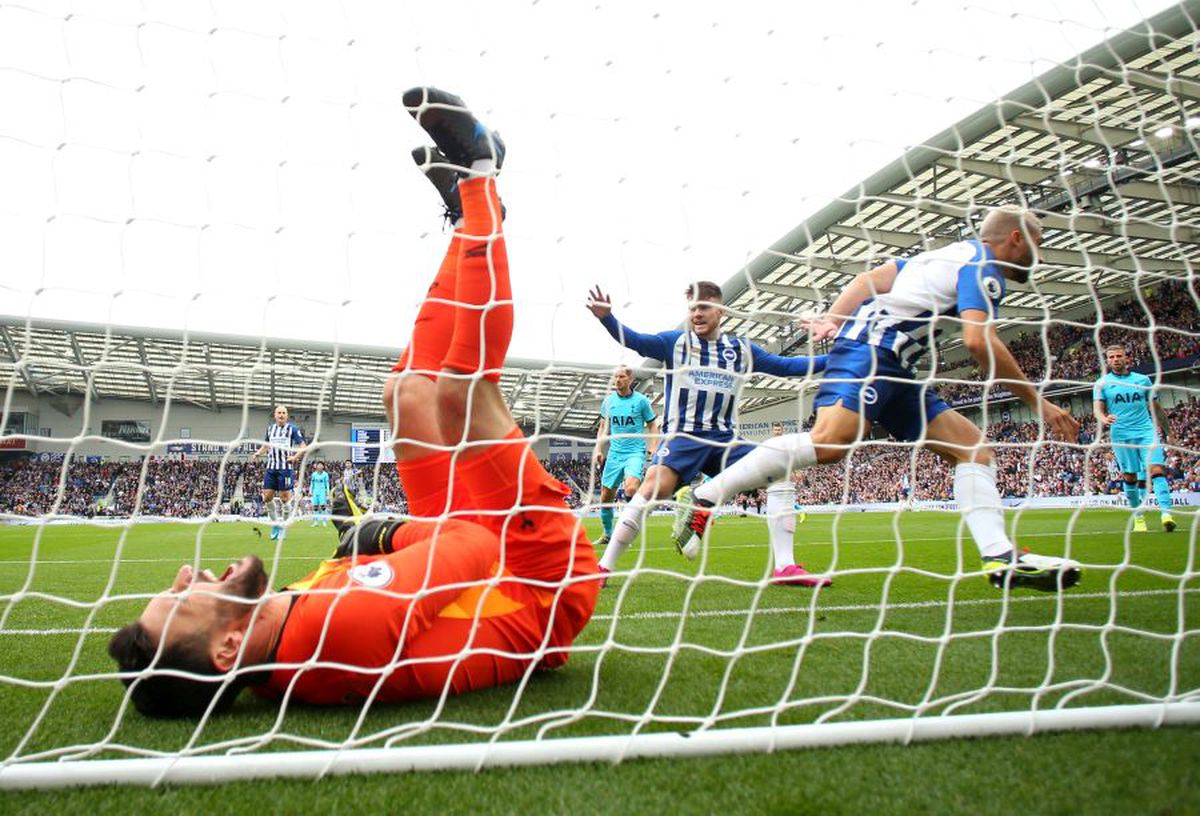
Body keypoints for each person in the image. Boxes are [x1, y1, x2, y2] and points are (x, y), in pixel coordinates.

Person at [107, 87, 599, 717]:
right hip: (538, 580)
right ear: (227, 649)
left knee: (405, 392)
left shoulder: (271, 636)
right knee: (460, 393)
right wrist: (378, 532)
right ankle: (482, 175)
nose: (182, 577)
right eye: (180, 602)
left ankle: (466, 220)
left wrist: (369, 541)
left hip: (477, 561)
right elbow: (474, 547)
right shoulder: (337, 634)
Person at [674, 206, 1083, 592]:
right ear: (1016, 238)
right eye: (1038, 244)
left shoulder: (944, 256)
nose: (1041, 256)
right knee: (830, 443)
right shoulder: (982, 267)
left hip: (895, 366)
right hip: (872, 349)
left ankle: (999, 556)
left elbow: (868, 280)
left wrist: (833, 318)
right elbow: (979, 341)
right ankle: (705, 497)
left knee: (972, 449)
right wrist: (1039, 403)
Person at [586, 280, 827, 584]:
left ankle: (785, 567)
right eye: (692, 308)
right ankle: (603, 568)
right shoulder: (674, 343)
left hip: (726, 440)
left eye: (703, 307)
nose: (696, 314)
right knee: (652, 489)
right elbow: (635, 340)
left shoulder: (740, 350)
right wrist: (607, 318)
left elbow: (787, 367)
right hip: (683, 437)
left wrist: (841, 356)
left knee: (780, 472)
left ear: (720, 310)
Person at [1093, 345, 1175, 532]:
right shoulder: (1102, 383)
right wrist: (1104, 418)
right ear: (1107, 361)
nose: (1115, 359)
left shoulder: (1143, 380)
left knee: (1157, 470)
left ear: (1126, 358)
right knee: (1129, 476)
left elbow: (1156, 408)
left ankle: (1166, 515)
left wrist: (1169, 432)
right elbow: (1097, 409)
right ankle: (1138, 517)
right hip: (1121, 435)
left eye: (1119, 356)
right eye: (1112, 357)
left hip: (1146, 432)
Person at [592, 366, 659, 547]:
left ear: (630, 379)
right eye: (616, 377)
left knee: (630, 488)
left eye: (621, 376)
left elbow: (653, 425)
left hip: (635, 452)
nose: (617, 380)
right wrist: (598, 449)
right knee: (605, 497)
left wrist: (654, 446)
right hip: (614, 454)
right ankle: (607, 534)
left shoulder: (641, 401)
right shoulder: (608, 402)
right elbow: (602, 427)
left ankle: (627, 533)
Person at [759, 422, 825, 586]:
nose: (777, 431)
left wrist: (796, 472)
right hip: (775, 480)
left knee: (785, 501)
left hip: (784, 484)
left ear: (782, 430)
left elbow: (793, 462)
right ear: (772, 430)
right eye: (775, 429)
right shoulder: (769, 445)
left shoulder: (787, 444)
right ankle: (784, 566)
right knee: (781, 494)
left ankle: (783, 566)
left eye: (779, 429)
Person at [251, 406, 305, 540]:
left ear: (287, 416)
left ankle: (284, 527)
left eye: (283, 413)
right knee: (267, 497)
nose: (281, 415)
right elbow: (266, 445)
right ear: (275, 415)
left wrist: (295, 457)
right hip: (271, 468)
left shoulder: (292, 429)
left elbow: (303, 446)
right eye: (279, 413)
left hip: (285, 468)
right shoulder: (270, 429)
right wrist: (258, 453)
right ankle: (275, 524)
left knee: (285, 499)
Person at [309, 462, 330, 526]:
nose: (320, 466)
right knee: (315, 506)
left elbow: (327, 483)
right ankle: (316, 522)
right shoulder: (314, 474)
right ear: (316, 466)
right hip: (315, 491)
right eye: (318, 465)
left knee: (323, 506)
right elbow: (312, 483)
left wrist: (328, 491)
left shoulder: (325, 474)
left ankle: (324, 521)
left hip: (322, 491)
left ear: (323, 466)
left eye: (321, 465)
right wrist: (310, 491)